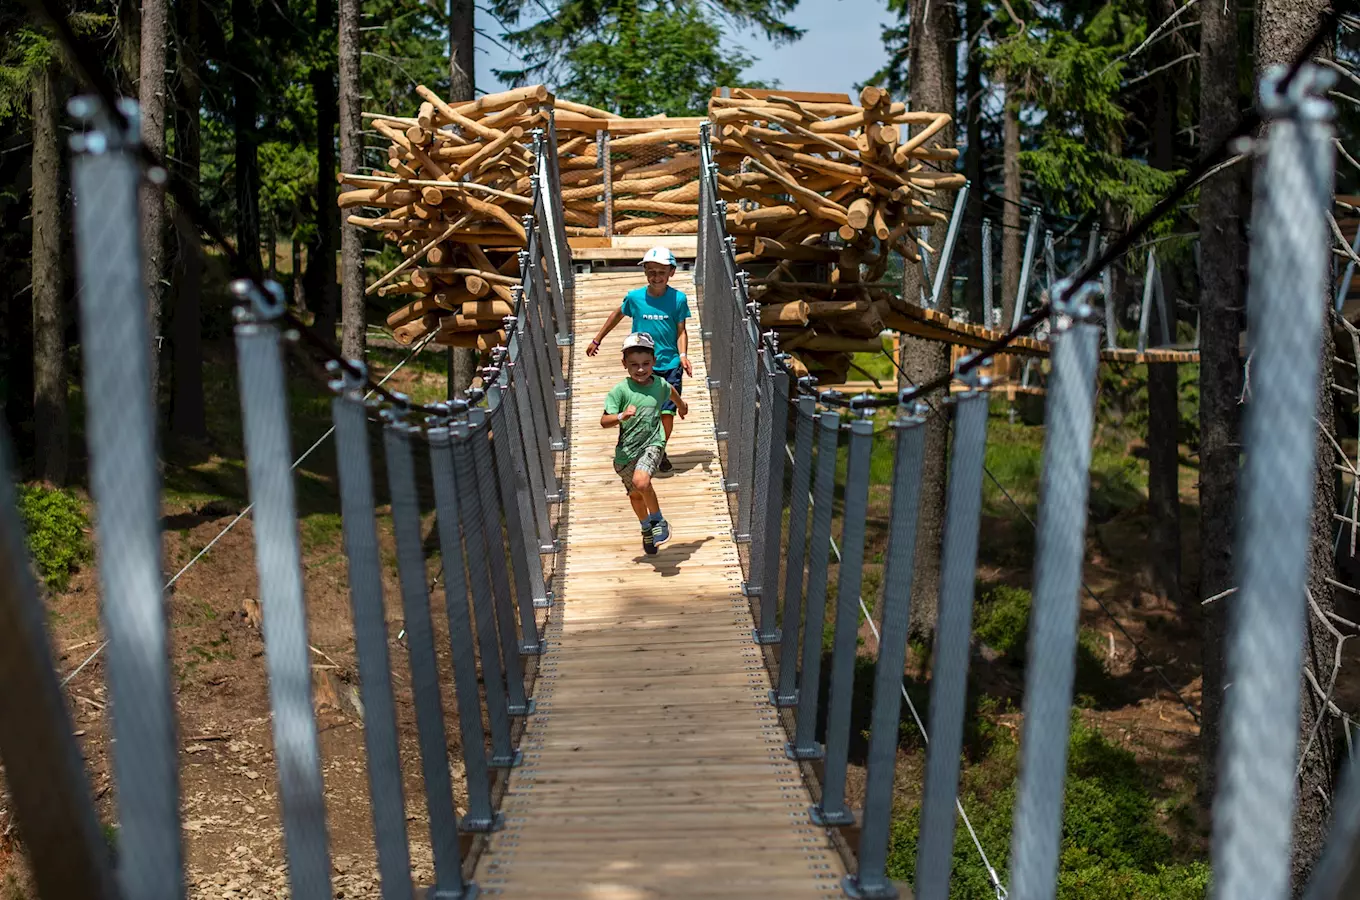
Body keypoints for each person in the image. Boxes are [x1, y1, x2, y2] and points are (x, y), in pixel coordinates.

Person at [585, 245, 691, 472]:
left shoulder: (678, 299)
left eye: (661, 272)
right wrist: (597, 339)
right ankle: (646, 445)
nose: (656, 277)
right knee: (645, 411)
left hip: (670, 363)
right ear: (645, 272)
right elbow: (617, 314)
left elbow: (681, 330)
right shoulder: (635, 298)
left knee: (666, 412)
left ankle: (658, 449)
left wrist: (682, 355)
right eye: (651, 271)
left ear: (671, 272)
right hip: (643, 365)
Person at [601, 332, 688, 556]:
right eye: (634, 365)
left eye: (646, 364)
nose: (641, 369)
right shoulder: (620, 391)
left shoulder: (659, 384)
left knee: (642, 482)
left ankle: (659, 521)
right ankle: (646, 527)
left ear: (654, 362)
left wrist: (681, 406)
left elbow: (671, 391)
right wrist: (621, 416)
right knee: (635, 495)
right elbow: (604, 420)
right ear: (624, 365)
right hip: (626, 452)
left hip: (653, 443)